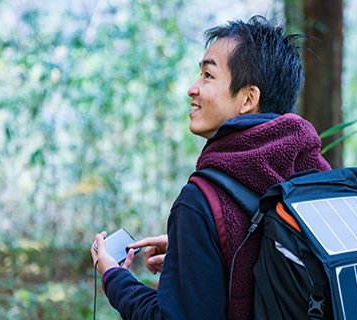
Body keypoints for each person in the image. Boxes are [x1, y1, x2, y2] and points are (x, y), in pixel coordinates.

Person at [90, 15, 331, 320]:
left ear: (247, 99)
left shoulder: (200, 201)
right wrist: (196, 252)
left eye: (207, 75)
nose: (193, 88)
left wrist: (113, 276)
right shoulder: (316, 176)